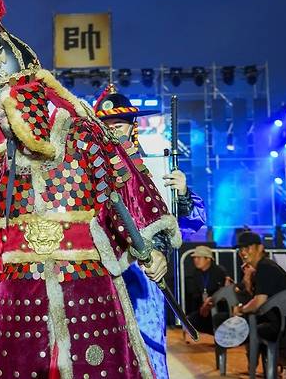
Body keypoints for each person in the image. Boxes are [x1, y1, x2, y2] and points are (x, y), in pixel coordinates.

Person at [0, 0, 181, 377]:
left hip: (88, 282)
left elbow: (126, 191)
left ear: (27, 95)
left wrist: (150, 246)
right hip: (17, 292)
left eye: (0, 101)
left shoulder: (84, 134)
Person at [92, 85, 206, 378]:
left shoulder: (155, 170)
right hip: (100, 274)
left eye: (118, 126)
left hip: (145, 274)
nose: (112, 132)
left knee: (148, 354)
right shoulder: (88, 172)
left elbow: (194, 225)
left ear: (132, 128)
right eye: (106, 127)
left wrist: (182, 195)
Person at [232, 231, 286, 340]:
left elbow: (258, 302)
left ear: (260, 248)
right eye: (240, 249)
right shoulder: (263, 267)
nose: (243, 252)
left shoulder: (265, 267)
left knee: (238, 328)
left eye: (247, 248)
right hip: (284, 320)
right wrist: (247, 281)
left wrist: (240, 309)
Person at [184, 246, 228, 334]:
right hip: (203, 308)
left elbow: (223, 293)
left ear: (208, 259)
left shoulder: (219, 272)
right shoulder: (195, 273)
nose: (195, 260)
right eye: (195, 258)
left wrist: (209, 303)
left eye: (199, 258)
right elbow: (195, 295)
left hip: (218, 306)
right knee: (190, 320)